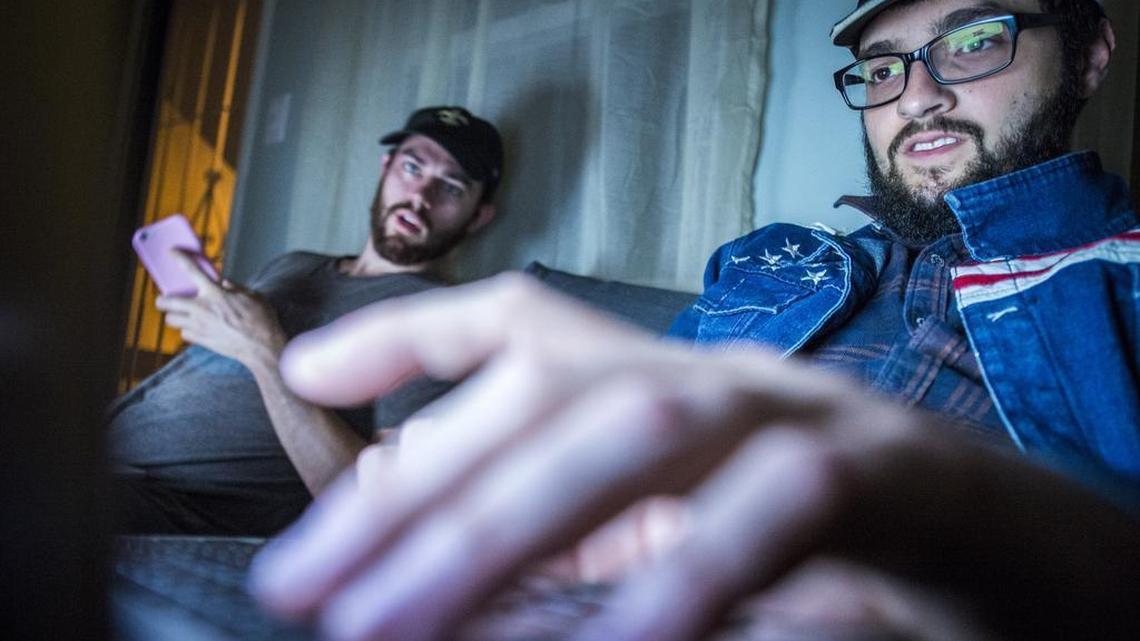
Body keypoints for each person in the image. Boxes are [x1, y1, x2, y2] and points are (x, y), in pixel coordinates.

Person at [250, 1, 1140, 640]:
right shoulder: (772, 261)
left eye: (975, 39)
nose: (917, 98)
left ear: (1090, 50)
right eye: (882, 67)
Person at [107, 106, 505, 535]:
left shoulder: (437, 319)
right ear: (386, 166)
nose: (421, 196)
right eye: (412, 167)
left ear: (478, 215)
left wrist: (263, 349)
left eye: (451, 187)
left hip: (174, 502)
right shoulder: (294, 265)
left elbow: (370, 504)